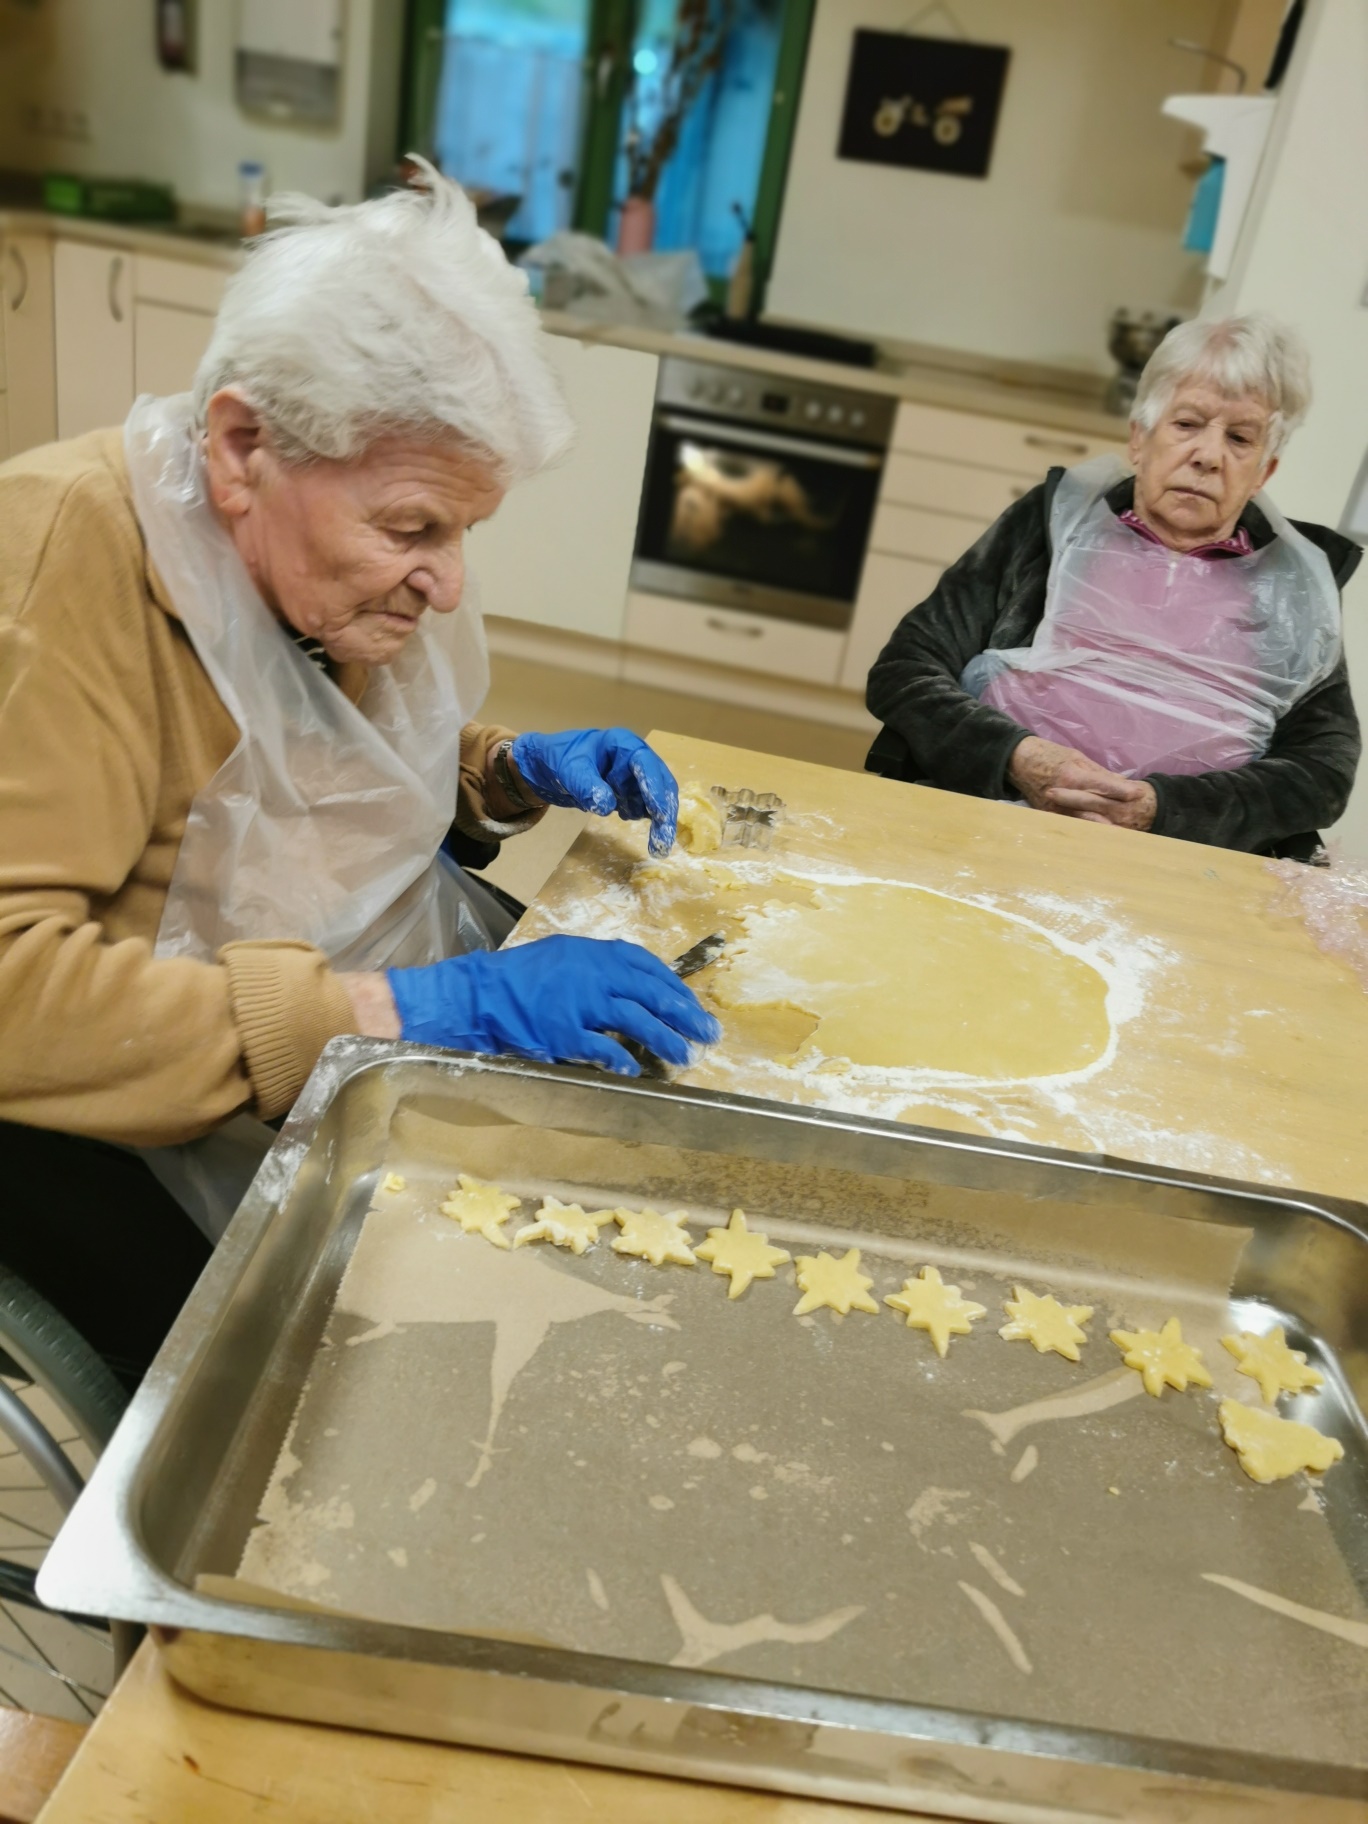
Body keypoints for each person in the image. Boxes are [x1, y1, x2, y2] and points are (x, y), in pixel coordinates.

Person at [0, 167, 718, 1382]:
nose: (448, 581)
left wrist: (501, 768)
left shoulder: (296, 547)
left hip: (321, 982)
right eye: (413, 528)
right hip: (107, 1112)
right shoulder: (54, 569)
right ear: (241, 448)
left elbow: (300, 751)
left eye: (465, 532)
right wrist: (416, 1012)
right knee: (376, 1373)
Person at [866, 314, 1361, 859]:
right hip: (988, 825)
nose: (1208, 455)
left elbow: (1322, 772)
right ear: (1139, 438)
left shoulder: (1294, 587)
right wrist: (1020, 759)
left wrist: (1160, 809)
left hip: (1173, 865)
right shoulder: (1054, 524)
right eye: (1187, 424)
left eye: (1240, 438)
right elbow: (905, 669)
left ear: (1263, 472)